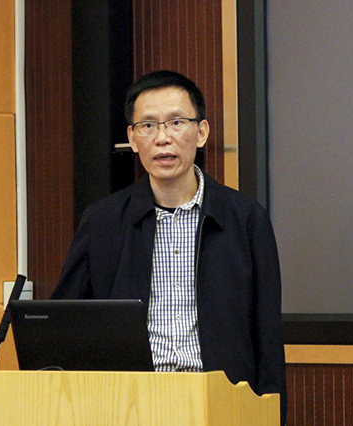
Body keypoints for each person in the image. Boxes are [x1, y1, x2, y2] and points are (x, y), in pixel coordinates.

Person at [51, 70, 287, 423]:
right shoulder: (102, 221)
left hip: (221, 404)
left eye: (176, 123)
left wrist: (271, 416)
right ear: (132, 138)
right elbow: (64, 326)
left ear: (201, 132)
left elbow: (267, 336)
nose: (162, 138)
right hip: (129, 407)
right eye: (148, 126)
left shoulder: (246, 219)